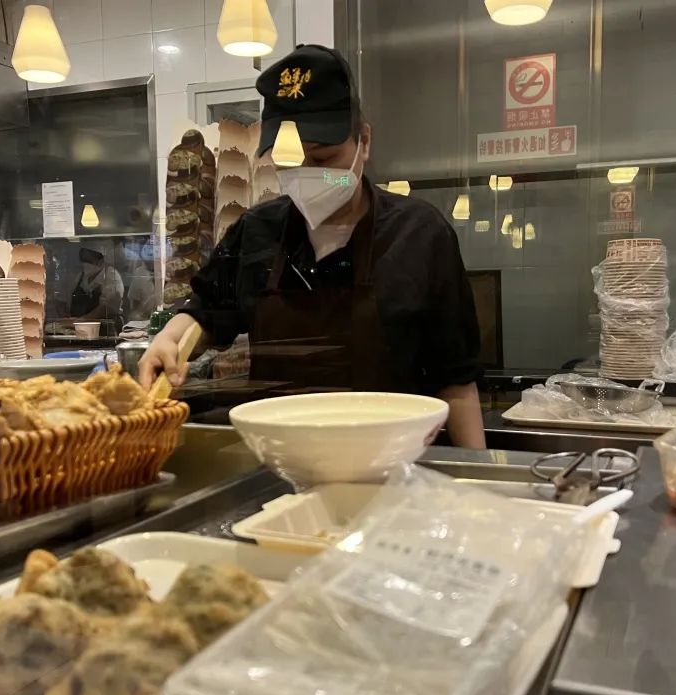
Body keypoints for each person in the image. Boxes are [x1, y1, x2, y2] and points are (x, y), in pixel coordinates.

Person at [139, 44, 486, 448]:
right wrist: (171, 338)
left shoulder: (420, 235)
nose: (306, 174)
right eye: (290, 162)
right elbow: (206, 310)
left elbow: (457, 382)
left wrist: (475, 472)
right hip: (282, 464)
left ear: (364, 142)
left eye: (323, 160)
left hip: (394, 465)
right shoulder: (257, 231)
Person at [70, 247, 124, 329]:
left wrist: (82, 320)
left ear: (100, 261)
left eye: (88, 261)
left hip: (105, 327)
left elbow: (107, 307)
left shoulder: (111, 276)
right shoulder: (80, 276)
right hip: (81, 327)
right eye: (83, 260)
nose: (85, 264)